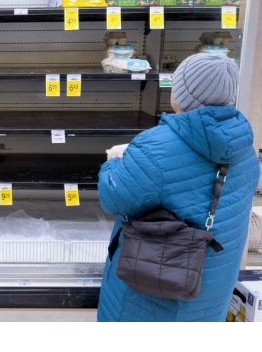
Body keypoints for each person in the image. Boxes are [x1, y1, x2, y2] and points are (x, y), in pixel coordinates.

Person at [97, 53, 260, 322]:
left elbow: (113, 196)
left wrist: (114, 163)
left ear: (181, 95)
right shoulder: (246, 150)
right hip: (211, 287)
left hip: (152, 292)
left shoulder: (155, 147)